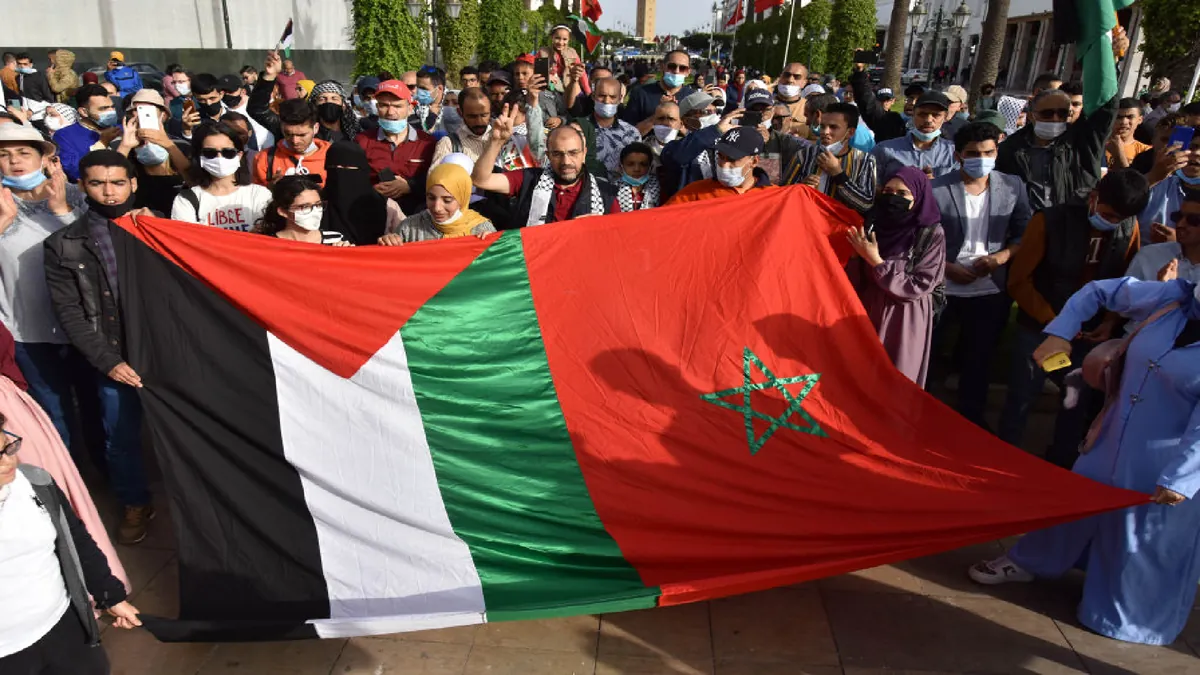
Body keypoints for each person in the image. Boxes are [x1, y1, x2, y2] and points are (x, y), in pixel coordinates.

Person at [971, 274, 1200, 646]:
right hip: (1110, 437)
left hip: (1167, 461)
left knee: (1141, 538)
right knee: (1075, 504)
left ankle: (1125, 617)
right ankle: (1031, 561)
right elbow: (1097, 290)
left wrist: (1181, 478)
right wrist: (1062, 330)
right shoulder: (1172, 299)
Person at [43, 149, 155, 543]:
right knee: (120, 437)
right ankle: (134, 502)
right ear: (82, 186)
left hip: (165, 353)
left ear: (133, 184)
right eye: (98, 183)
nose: (109, 192)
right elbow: (70, 312)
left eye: (117, 182)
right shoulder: (63, 244)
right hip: (114, 356)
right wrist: (107, 361)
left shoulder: (156, 228)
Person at [1000, 169, 1147, 459]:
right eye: (1108, 214)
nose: (1113, 222)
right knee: (1021, 397)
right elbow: (1019, 280)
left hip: (1089, 335)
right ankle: (1005, 457)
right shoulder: (1049, 221)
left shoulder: (1129, 227)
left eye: (1120, 219)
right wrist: (1054, 322)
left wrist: (1109, 322)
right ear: (1093, 198)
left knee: (1075, 402)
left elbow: (1125, 283)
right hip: (1041, 330)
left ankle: (1063, 461)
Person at [0, 413, 142, 674]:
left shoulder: (36, 483)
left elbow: (76, 539)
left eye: (8, 447)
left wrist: (109, 594)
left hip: (65, 628)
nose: (9, 461)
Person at [930, 123, 1031, 426]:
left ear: (997, 152)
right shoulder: (936, 188)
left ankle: (970, 422)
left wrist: (1001, 257)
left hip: (989, 290)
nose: (981, 158)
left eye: (988, 152)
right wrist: (946, 266)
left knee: (979, 360)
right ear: (958, 155)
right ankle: (922, 413)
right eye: (973, 153)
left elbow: (1025, 232)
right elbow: (917, 239)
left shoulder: (1012, 185)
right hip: (943, 287)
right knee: (931, 355)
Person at [0, 124, 88, 447]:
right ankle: (64, 486)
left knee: (95, 410)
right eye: (4, 155)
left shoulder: (76, 195)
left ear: (43, 159)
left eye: (24, 152)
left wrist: (62, 212)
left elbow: (93, 253)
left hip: (82, 328)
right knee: (54, 414)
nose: (14, 161)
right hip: (27, 334)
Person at [845, 166, 945, 386]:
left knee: (898, 378)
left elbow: (919, 285)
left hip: (905, 316)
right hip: (869, 311)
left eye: (902, 194)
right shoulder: (873, 225)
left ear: (918, 197)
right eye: (888, 192)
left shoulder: (929, 233)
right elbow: (855, 281)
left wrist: (876, 262)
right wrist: (855, 258)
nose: (893, 198)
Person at [471, 110, 615, 228]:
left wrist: (603, 225)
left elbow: (622, 238)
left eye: (573, 153)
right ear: (548, 156)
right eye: (557, 154)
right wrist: (496, 142)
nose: (566, 161)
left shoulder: (606, 195)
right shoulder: (529, 180)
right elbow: (481, 180)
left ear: (584, 154)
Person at [997, 88, 1119, 213]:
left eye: (1062, 113)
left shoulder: (1081, 143)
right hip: (1028, 227)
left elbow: (1105, 108)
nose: (1055, 119)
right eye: (1047, 113)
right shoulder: (1009, 149)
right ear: (1031, 115)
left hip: (1070, 225)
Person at [355, 79, 435, 215]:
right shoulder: (362, 141)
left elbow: (437, 179)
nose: (390, 112)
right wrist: (371, 190)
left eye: (397, 106)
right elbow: (352, 181)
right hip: (373, 214)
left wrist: (410, 186)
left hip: (416, 217)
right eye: (384, 105)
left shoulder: (427, 143)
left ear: (410, 108)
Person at [782, 101, 876, 215]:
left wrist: (838, 174)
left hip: (841, 229)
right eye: (822, 126)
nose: (825, 132)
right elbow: (783, 193)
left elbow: (865, 204)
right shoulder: (804, 155)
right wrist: (801, 187)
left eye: (833, 127)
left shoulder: (864, 160)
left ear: (850, 132)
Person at [174, 122, 271, 230]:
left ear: (239, 155)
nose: (219, 158)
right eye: (210, 153)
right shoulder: (186, 200)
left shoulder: (259, 195)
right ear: (200, 156)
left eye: (228, 152)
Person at [113, 90, 190, 216]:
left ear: (163, 115)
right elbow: (109, 178)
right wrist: (125, 147)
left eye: (148, 110)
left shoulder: (181, 146)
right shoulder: (121, 147)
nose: (142, 114)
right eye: (137, 110)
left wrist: (167, 144)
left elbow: (193, 179)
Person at [380, 162, 495, 244]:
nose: (437, 208)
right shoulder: (409, 228)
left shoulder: (481, 229)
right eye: (431, 198)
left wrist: (493, 247)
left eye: (447, 200)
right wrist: (389, 242)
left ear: (462, 198)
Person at [660, 91, 739, 200]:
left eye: (715, 110)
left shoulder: (726, 143)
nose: (713, 115)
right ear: (687, 120)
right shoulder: (675, 148)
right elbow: (678, 156)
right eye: (706, 111)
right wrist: (715, 130)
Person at [667, 127, 773, 204]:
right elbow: (661, 220)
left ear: (754, 161)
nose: (724, 164)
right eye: (721, 157)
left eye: (732, 159)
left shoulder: (773, 196)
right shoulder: (694, 193)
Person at [323, 141, 400, 244]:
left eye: (346, 168)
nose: (339, 175)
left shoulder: (387, 206)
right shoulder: (315, 205)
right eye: (333, 168)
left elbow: (405, 237)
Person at [871, 91, 958, 181]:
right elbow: (869, 187)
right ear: (913, 114)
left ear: (945, 117)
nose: (928, 120)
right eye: (922, 114)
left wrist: (934, 185)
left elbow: (960, 189)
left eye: (936, 115)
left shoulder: (953, 153)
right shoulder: (884, 150)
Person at [251, 96, 331, 186]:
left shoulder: (333, 157)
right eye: (288, 134)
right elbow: (257, 197)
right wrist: (272, 188)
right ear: (281, 127)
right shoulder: (264, 159)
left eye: (302, 135)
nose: (295, 141)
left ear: (316, 128)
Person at [1138, 131, 1200, 243]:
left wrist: (1179, 242)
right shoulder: (1157, 184)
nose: (1196, 153)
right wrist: (1153, 177)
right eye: (1193, 147)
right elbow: (1119, 205)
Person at [574, 77, 641, 180]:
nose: (606, 101)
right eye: (601, 95)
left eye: (612, 97)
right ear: (593, 96)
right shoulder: (578, 128)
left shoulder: (631, 133)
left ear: (620, 98)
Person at [1126, 193, 1200, 284]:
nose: (1180, 224)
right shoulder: (1149, 256)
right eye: (1178, 217)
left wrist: (1166, 290)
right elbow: (1127, 296)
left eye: (1193, 220)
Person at [252, 174, 347, 244]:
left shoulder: (335, 240)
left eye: (318, 205)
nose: (314, 212)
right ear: (283, 212)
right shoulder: (267, 244)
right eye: (305, 207)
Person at [51, 84, 118, 182]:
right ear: (84, 112)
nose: (111, 111)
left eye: (112, 107)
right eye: (103, 108)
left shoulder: (122, 129)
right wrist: (102, 143)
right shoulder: (65, 136)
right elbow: (74, 172)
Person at [622, 51, 697, 130]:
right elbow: (628, 133)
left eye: (682, 68)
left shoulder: (693, 98)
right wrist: (658, 114)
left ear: (688, 72)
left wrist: (675, 117)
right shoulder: (640, 94)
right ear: (662, 67)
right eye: (672, 66)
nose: (676, 71)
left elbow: (696, 136)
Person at [850, 61, 923, 143]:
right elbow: (867, 103)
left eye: (918, 100)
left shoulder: (929, 131)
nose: (912, 103)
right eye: (910, 98)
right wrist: (860, 73)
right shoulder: (890, 120)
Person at [431, 87, 492, 166]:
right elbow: (436, 177)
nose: (479, 122)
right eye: (472, 116)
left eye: (484, 115)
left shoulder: (504, 140)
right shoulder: (448, 145)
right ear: (460, 112)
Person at [217, 74, 274, 151]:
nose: (227, 95)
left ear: (243, 91)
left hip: (268, 149)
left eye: (230, 91)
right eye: (223, 92)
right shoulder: (219, 111)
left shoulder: (257, 105)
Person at [1106, 98, 1151, 170]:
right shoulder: (1098, 145)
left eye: (1130, 117)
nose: (1124, 122)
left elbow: (1135, 180)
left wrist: (1119, 155)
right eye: (1118, 117)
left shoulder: (1146, 151)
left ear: (1140, 120)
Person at [614, 142, 661, 212]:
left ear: (650, 167)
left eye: (643, 164)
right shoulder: (611, 191)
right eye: (630, 164)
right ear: (621, 167)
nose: (637, 169)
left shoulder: (661, 189)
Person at [538, 24, 582, 93]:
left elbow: (582, 73)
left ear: (568, 39)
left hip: (569, 87)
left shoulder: (572, 53)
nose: (561, 42)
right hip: (550, 87)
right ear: (552, 37)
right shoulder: (543, 52)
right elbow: (536, 70)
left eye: (564, 39)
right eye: (557, 38)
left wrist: (588, 92)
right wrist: (547, 76)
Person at [773, 62, 811, 139]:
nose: (790, 80)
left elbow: (816, 141)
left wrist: (798, 143)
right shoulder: (765, 103)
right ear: (780, 77)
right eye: (786, 75)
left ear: (804, 82)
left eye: (797, 77)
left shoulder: (810, 107)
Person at [411, 66, 447, 133]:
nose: (419, 92)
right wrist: (432, 115)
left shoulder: (452, 102)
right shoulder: (414, 105)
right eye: (418, 87)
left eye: (424, 88)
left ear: (439, 88)